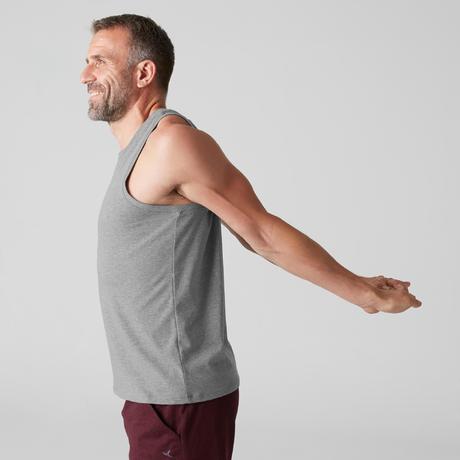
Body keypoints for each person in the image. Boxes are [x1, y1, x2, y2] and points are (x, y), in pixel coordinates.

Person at [80, 13, 422, 460]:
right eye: (87, 61)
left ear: (144, 72)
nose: (85, 74)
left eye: (100, 61)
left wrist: (365, 293)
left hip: (179, 400)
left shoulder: (172, 144)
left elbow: (260, 232)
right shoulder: (139, 152)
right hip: (155, 398)